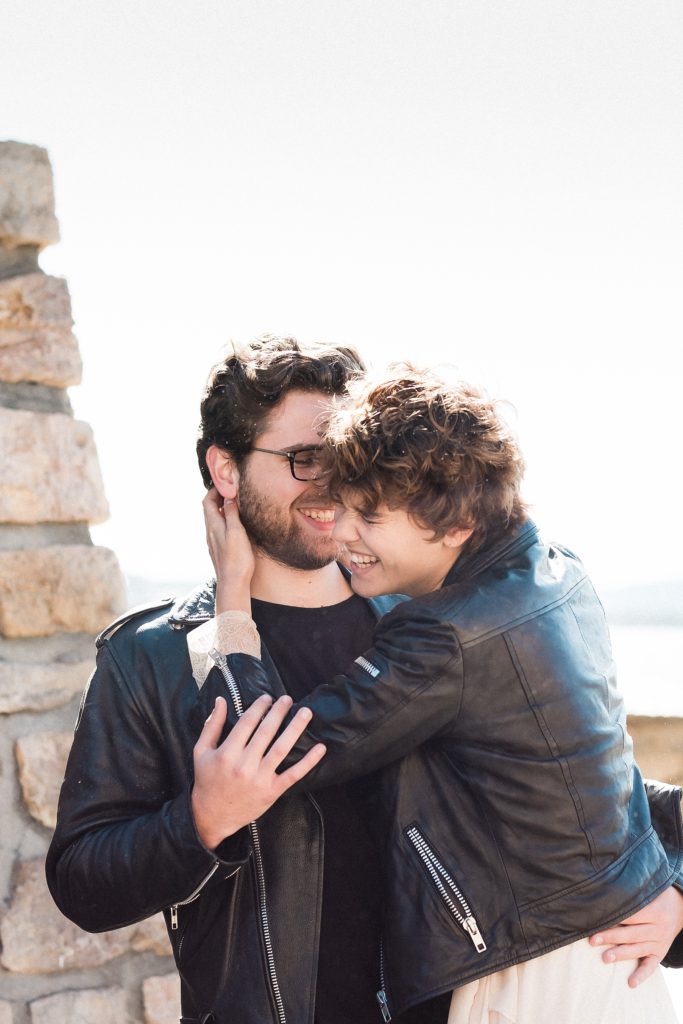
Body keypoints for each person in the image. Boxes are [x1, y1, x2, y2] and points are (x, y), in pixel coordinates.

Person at [46, 337, 683, 1024]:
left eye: (346, 461)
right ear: (223, 470)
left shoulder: (432, 619)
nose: (334, 488)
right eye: (305, 459)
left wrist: (674, 899)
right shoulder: (152, 658)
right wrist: (200, 822)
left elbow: (580, 778)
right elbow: (84, 881)